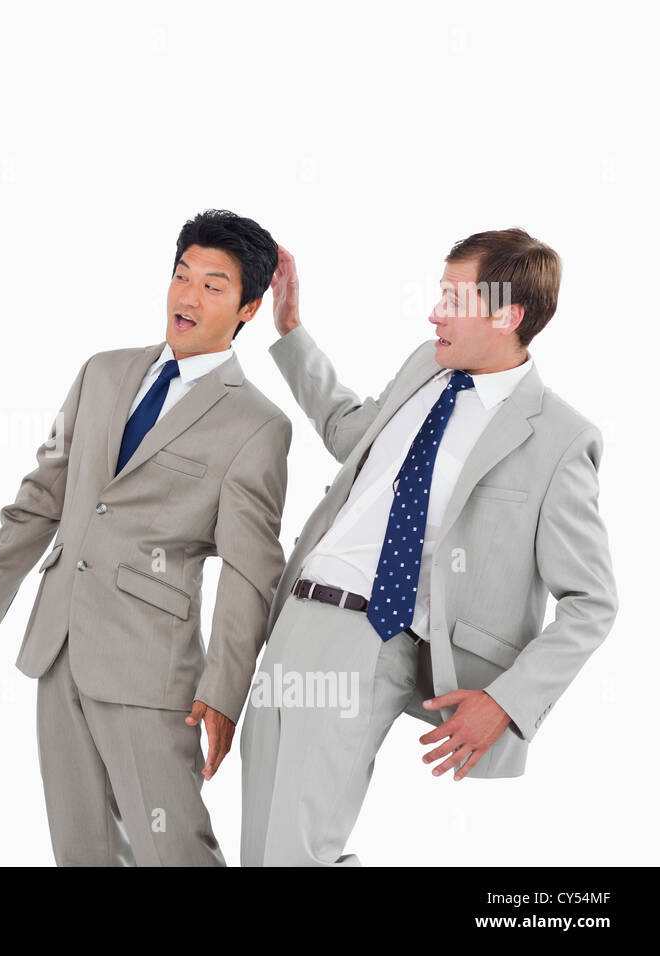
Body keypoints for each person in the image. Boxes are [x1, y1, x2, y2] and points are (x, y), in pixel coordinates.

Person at [0, 209, 291, 866]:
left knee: (172, 850)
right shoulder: (102, 372)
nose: (187, 296)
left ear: (249, 308)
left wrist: (225, 689)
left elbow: (251, 571)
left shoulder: (256, 425)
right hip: (56, 649)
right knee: (81, 851)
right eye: (182, 275)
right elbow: (44, 493)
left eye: (213, 285)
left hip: (151, 669)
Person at [240, 229, 618, 866]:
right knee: (262, 851)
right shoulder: (426, 365)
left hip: (371, 634)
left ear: (508, 315)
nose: (434, 311)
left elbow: (592, 602)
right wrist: (291, 331)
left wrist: (507, 701)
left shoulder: (558, 438)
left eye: (453, 297)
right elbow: (349, 432)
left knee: (295, 856)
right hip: (295, 616)